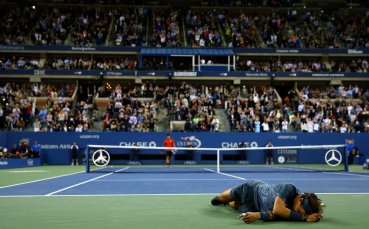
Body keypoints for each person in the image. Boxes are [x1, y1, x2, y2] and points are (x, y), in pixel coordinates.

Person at [211, 180, 324, 223]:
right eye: (302, 210)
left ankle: (227, 202)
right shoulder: (290, 188)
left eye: (304, 214)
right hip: (251, 190)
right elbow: (278, 210)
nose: (301, 213)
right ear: (300, 199)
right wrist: (305, 218)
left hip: (255, 208)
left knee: (233, 204)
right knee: (217, 199)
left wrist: (257, 215)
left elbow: (274, 215)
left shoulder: (292, 212)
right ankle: (223, 198)